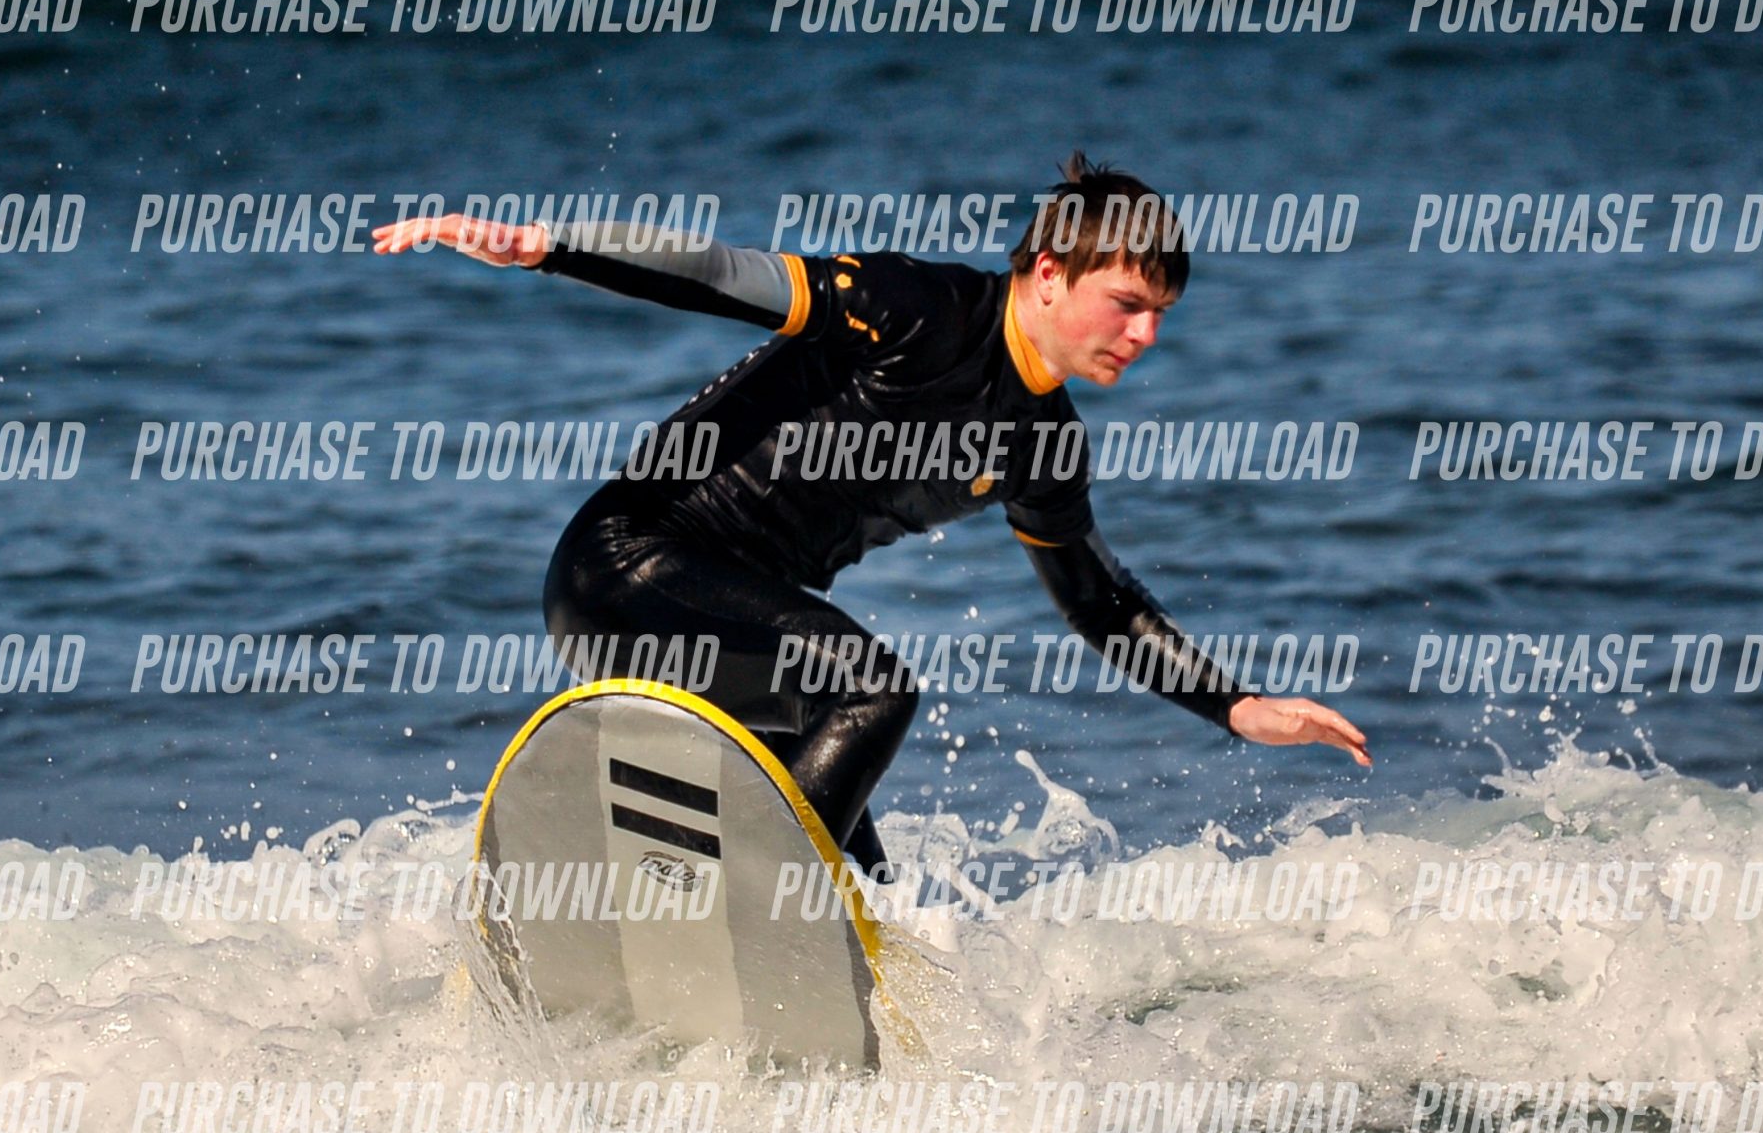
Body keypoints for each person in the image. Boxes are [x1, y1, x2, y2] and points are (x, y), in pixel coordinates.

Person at [371, 154, 1368, 881]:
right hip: (627, 572)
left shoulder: (1045, 444)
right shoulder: (917, 309)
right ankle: (749, 909)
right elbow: (722, 272)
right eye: (1126, 303)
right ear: (1048, 273)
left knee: (863, 883)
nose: (1144, 334)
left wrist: (1235, 706)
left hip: (743, 639)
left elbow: (1098, 601)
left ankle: (734, 944)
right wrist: (547, 249)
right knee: (871, 689)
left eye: (1160, 316)